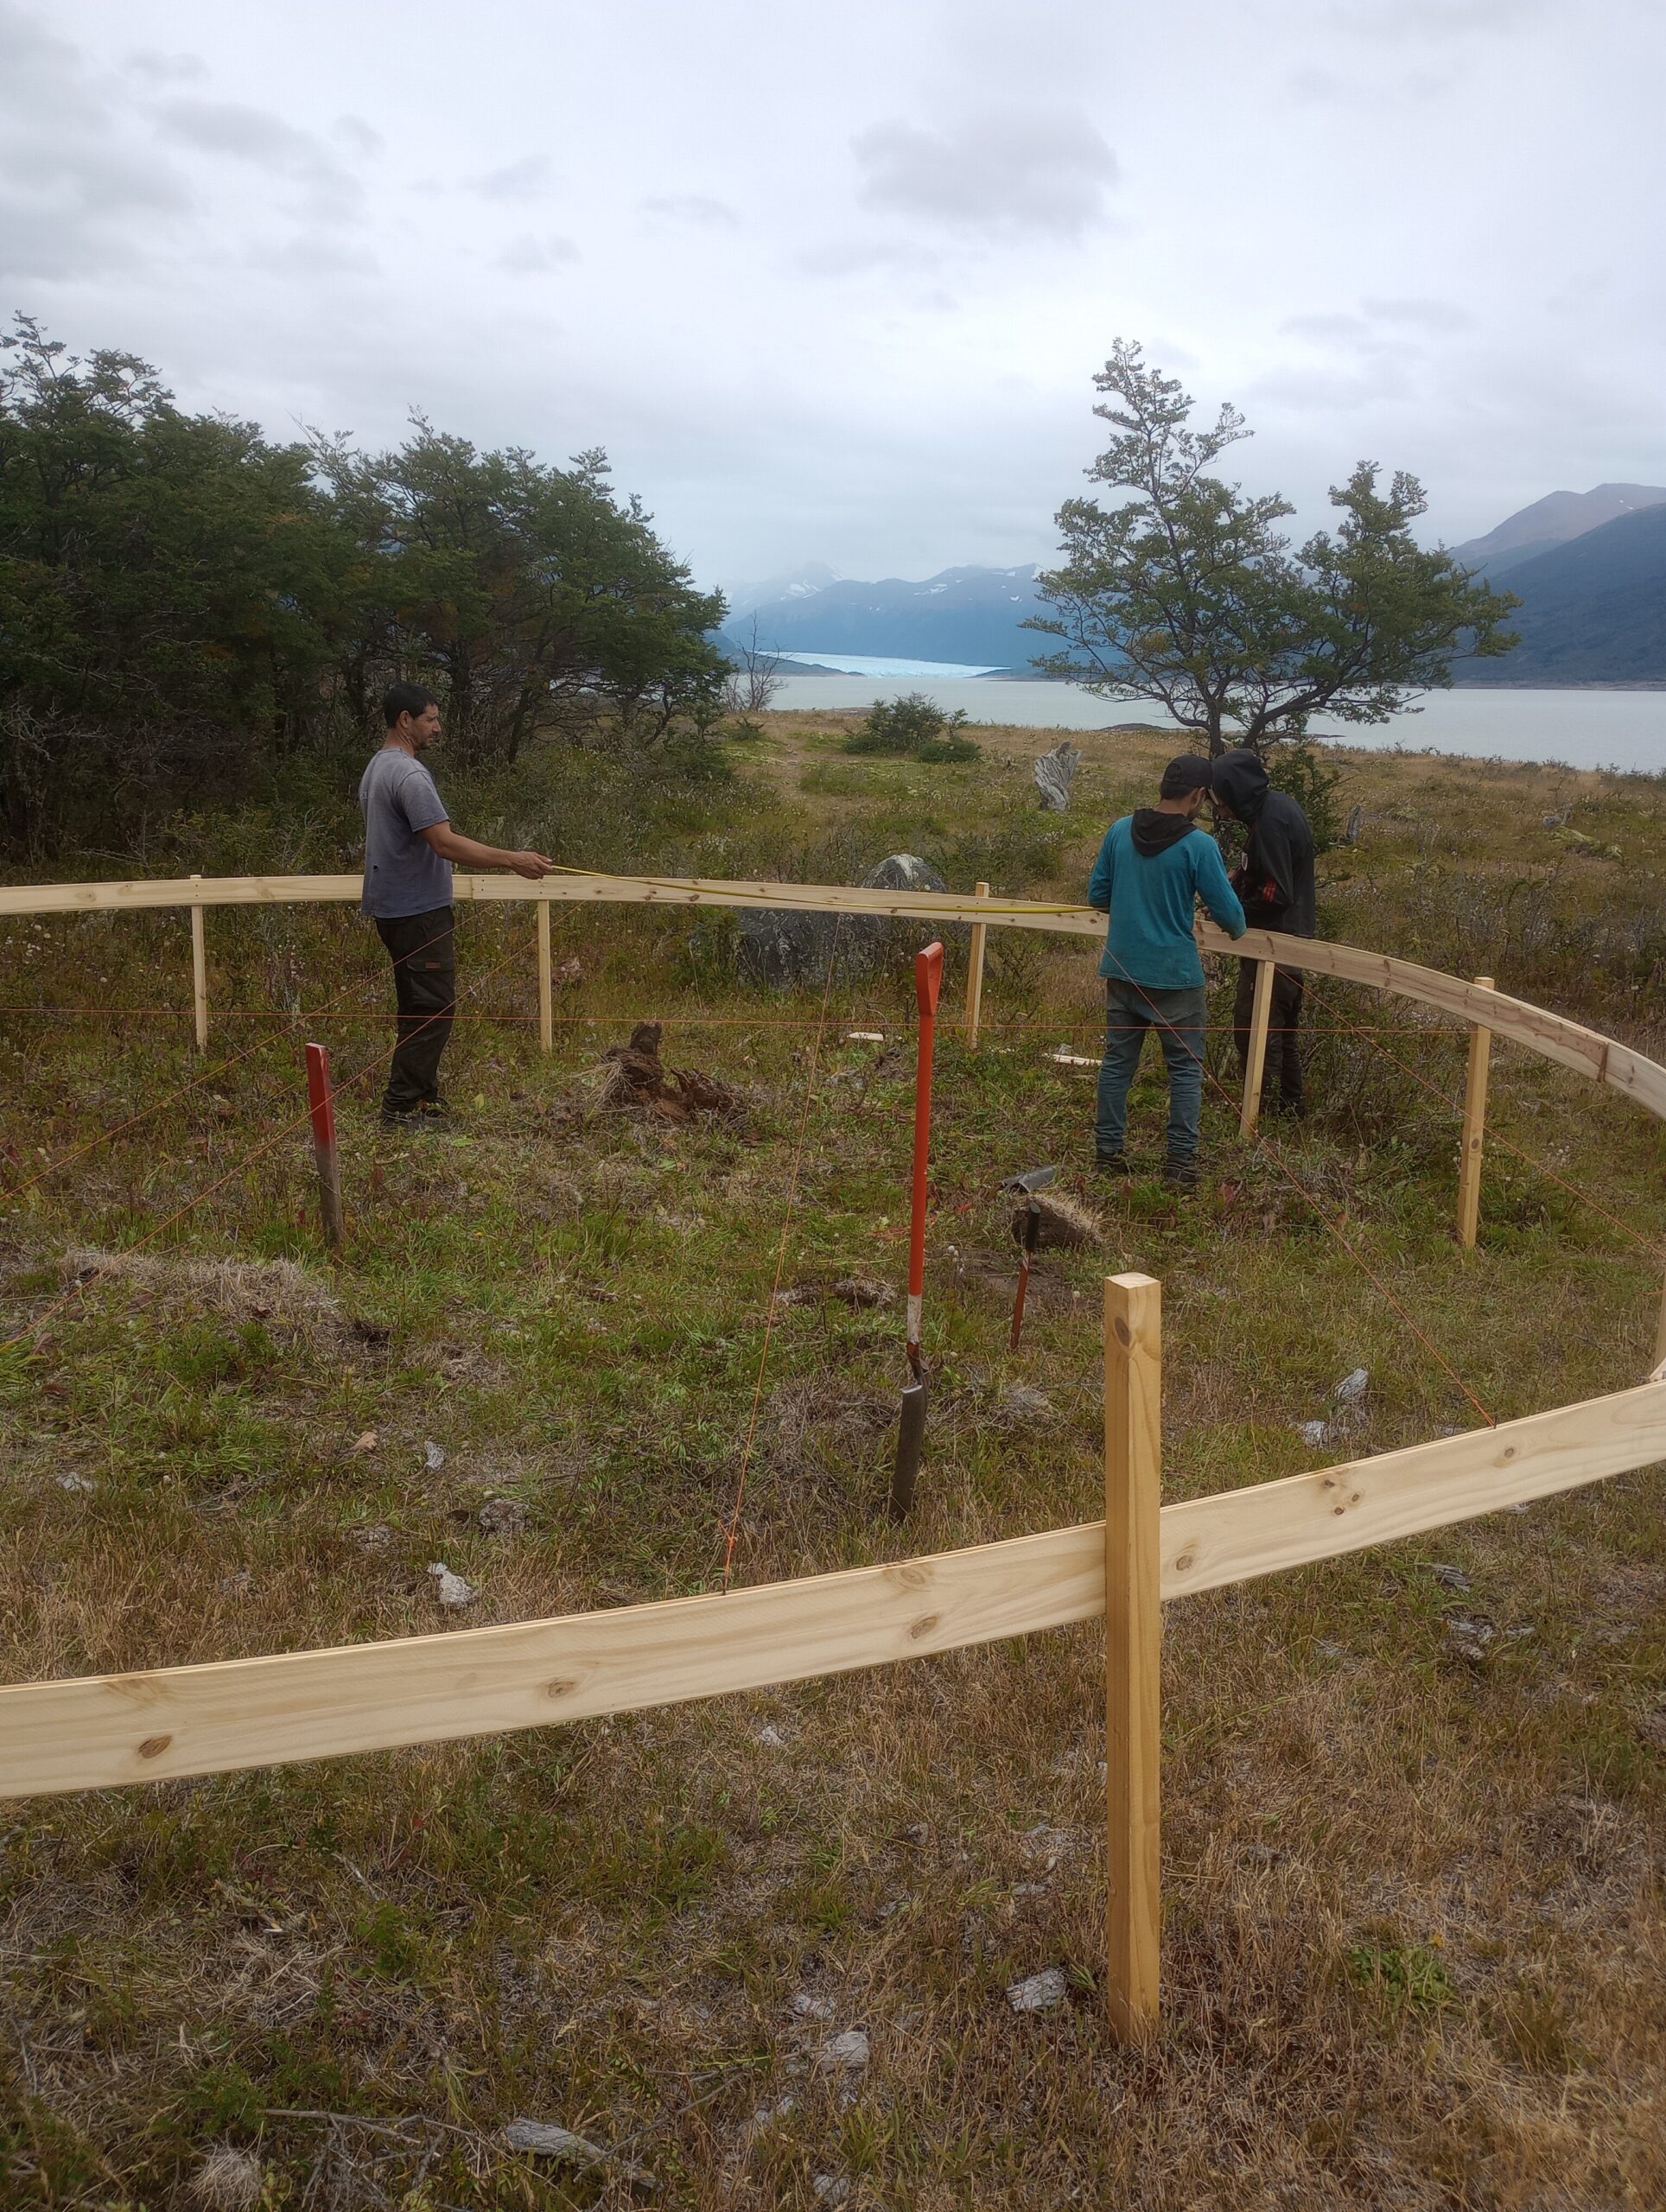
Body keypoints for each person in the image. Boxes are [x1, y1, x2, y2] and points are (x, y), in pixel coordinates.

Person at [359, 683, 555, 1128]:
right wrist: (513, 859)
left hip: (395, 911)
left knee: (419, 1006)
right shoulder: (409, 775)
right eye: (430, 719)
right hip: (417, 912)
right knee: (432, 1008)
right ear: (405, 721)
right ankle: (402, 1109)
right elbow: (443, 843)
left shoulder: (376, 769)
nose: (438, 728)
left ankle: (423, 1100)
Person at [1086, 753, 1247, 1188]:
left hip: (1122, 968)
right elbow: (1232, 921)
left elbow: (1097, 893)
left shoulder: (1120, 831)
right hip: (1176, 978)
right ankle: (1179, 1167)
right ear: (1197, 795)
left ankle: (1108, 1154)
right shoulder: (1199, 846)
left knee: (1118, 1064)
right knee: (1186, 1071)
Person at [1210, 749, 1317, 1119]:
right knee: (1282, 1032)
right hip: (1289, 942)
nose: (1219, 809)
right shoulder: (1275, 809)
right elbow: (1262, 870)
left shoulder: (1270, 822)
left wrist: (1234, 912)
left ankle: (1261, 1115)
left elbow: (1277, 892)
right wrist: (1234, 882)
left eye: (1220, 798)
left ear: (1234, 790)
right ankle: (1290, 1112)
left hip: (1274, 944)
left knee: (1257, 1030)